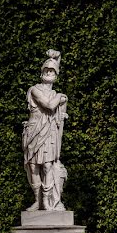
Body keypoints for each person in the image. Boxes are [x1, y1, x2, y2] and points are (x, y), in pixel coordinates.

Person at [23, 49, 68, 211]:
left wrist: (57, 57)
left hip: (49, 133)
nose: (49, 73)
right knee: (34, 166)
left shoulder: (55, 92)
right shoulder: (34, 90)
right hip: (34, 132)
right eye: (46, 70)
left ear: (56, 76)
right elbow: (49, 105)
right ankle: (37, 200)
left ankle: (47, 201)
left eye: (52, 71)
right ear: (42, 73)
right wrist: (61, 97)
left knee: (48, 166)